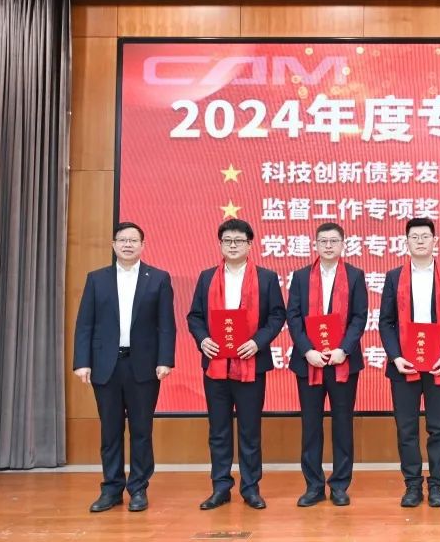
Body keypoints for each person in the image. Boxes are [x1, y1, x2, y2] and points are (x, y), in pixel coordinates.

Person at [73, 222, 175, 513]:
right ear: (113, 245)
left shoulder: (158, 278)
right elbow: (85, 324)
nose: (128, 244)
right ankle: (111, 489)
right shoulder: (97, 279)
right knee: (110, 431)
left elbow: (166, 324)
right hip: (106, 365)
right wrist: (82, 362)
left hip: (143, 366)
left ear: (143, 245)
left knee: (141, 430)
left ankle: (138, 488)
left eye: (133, 240)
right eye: (122, 240)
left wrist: (165, 360)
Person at [187, 218, 286, 511]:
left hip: (251, 363)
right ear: (220, 244)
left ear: (249, 245)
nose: (233, 245)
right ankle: (220, 487)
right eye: (227, 240)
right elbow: (195, 316)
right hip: (216, 365)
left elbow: (277, 316)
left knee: (249, 430)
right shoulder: (207, 277)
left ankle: (251, 488)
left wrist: (257, 342)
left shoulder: (266, 278)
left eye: (239, 241)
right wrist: (203, 339)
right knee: (218, 430)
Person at [378, 218, 440, 508]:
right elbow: (386, 321)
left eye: (425, 236)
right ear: (406, 242)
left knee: (439, 426)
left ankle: (437, 485)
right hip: (404, 365)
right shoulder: (394, 277)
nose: (419, 241)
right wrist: (396, 357)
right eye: (414, 237)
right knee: (406, 428)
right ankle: (412, 485)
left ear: (434, 241)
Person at [285, 222, 368, 507]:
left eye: (334, 241)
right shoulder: (300, 277)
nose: (329, 246)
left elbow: (360, 317)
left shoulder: (355, 276)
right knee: (311, 426)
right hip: (308, 361)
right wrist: (307, 350)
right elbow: (293, 317)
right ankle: (313, 486)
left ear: (343, 244)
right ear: (316, 245)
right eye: (323, 241)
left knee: (342, 424)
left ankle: (340, 485)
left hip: (343, 361)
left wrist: (343, 349)